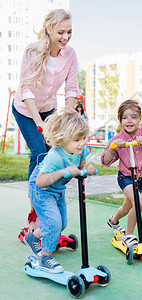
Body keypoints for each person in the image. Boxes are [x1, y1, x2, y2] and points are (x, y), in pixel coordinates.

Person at [12, 8, 79, 231]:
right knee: (39, 151)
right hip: (25, 109)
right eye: (61, 32)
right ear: (49, 29)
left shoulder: (70, 54)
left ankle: (51, 196)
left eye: (69, 32)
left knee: (57, 150)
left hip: (49, 108)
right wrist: (39, 123)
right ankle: (36, 208)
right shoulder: (32, 51)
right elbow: (27, 89)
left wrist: (65, 118)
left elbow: (71, 89)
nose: (65, 37)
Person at [24, 107, 96, 273]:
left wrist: (86, 168)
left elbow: (81, 164)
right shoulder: (55, 157)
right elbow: (40, 181)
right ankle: (45, 258)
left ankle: (32, 237)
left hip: (57, 190)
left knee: (61, 223)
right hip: (41, 190)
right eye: (77, 139)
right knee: (54, 223)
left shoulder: (81, 150)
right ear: (63, 139)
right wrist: (62, 172)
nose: (82, 143)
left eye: (84, 137)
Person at [101, 100, 142, 249]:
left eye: (133, 117)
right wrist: (112, 148)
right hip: (125, 177)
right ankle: (129, 235)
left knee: (128, 207)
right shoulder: (117, 139)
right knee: (139, 203)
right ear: (120, 120)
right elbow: (105, 161)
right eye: (125, 117)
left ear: (140, 119)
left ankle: (113, 220)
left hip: (141, 178)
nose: (129, 120)